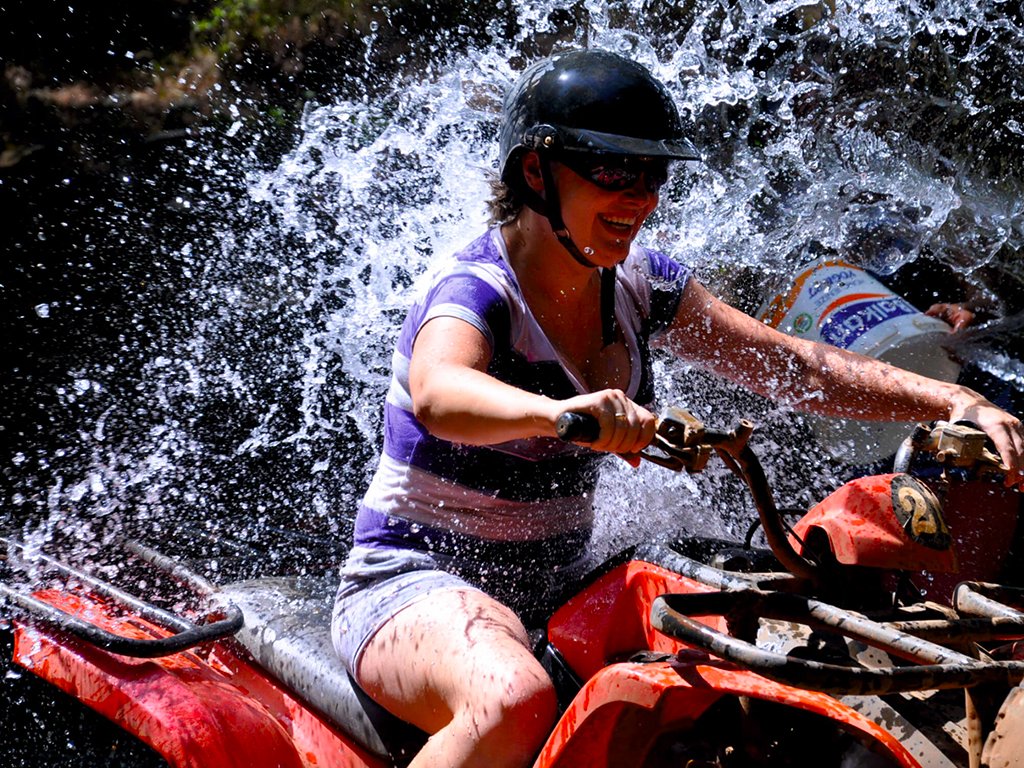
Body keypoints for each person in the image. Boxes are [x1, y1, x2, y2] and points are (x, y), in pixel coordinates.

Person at [331, 49, 1024, 768]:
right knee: (511, 699)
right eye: (612, 171)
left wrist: (954, 398)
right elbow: (441, 392)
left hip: (559, 587)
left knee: (763, 627)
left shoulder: (642, 284)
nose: (638, 197)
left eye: (652, 175)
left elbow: (791, 366)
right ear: (535, 173)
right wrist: (562, 412)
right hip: (411, 584)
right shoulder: (476, 289)